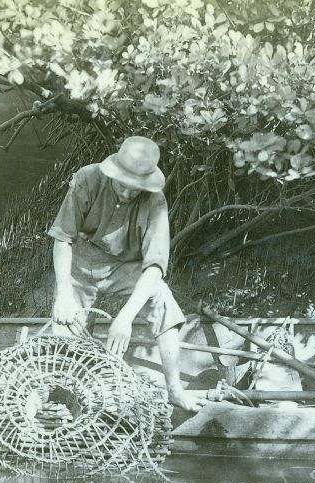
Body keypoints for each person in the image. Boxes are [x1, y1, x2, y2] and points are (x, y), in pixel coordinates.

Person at [47, 135, 205, 412]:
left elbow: (155, 267)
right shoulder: (87, 178)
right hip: (81, 262)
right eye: (124, 185)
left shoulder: (155, 202)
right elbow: (62, 239)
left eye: (137, 188)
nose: (129, 193)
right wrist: (63, 294)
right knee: (64, 323)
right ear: (113, 172)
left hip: (124, 267)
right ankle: (63, 395)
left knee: (163, 299)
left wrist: (125, 318)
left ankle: (175, 390)